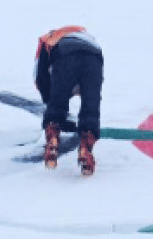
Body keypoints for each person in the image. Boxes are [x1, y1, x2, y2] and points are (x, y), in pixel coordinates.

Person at [33, 25, 104, 176]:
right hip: (94, 58)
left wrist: (51, 104)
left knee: (57, 100)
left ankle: (52, 137)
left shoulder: (47, 39)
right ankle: (86, 146)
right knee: (91, 106)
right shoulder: (89, 37)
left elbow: (40, 78)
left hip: (66, 55)